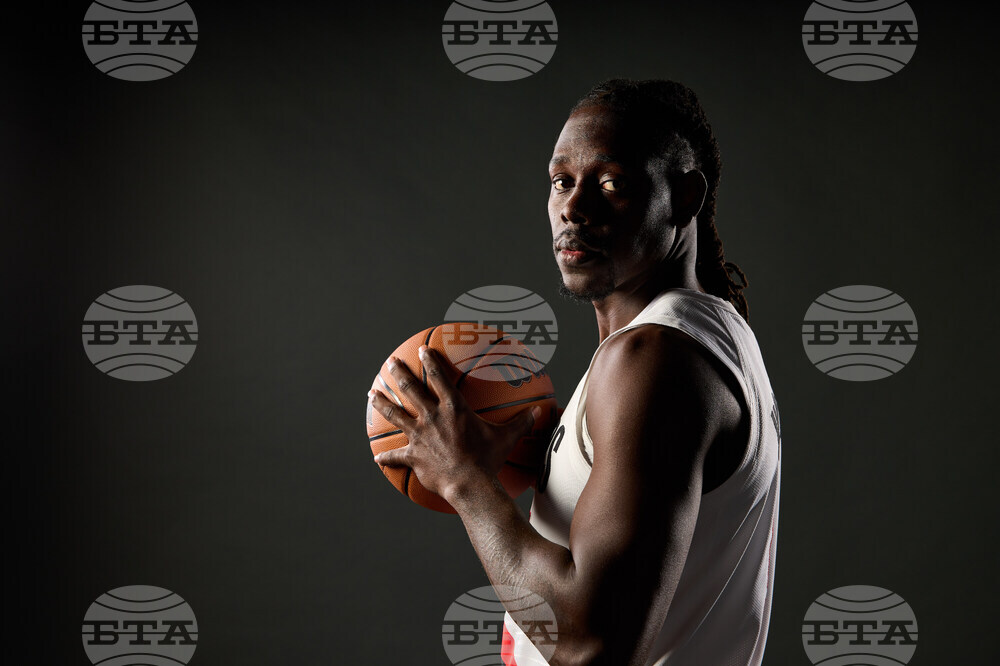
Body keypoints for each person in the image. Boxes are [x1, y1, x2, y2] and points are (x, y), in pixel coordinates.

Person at [370, 78, 781, 666]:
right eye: (562, 181)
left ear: (685, 197)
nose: (574, 207)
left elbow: (592, 645)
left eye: (612, 183)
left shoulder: (653, 358)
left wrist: (465, 480)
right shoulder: (707, 335)